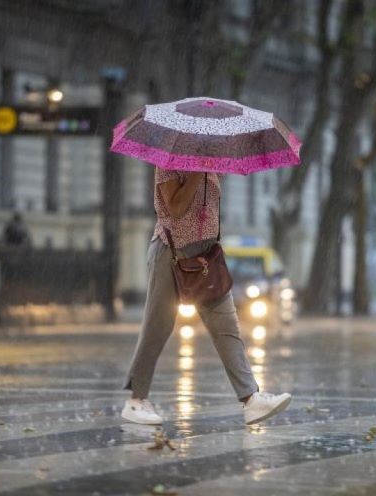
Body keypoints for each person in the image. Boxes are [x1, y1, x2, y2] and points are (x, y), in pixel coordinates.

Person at [122, 168, 291, 425]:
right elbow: (175, 208)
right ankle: (136, 401)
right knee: (158, 326)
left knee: (227, 328)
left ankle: (251, 399)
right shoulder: (170, 160)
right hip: (171, 254)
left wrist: (211, 172)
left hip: (205, 257)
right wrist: (196, 173)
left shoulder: (209, 161)